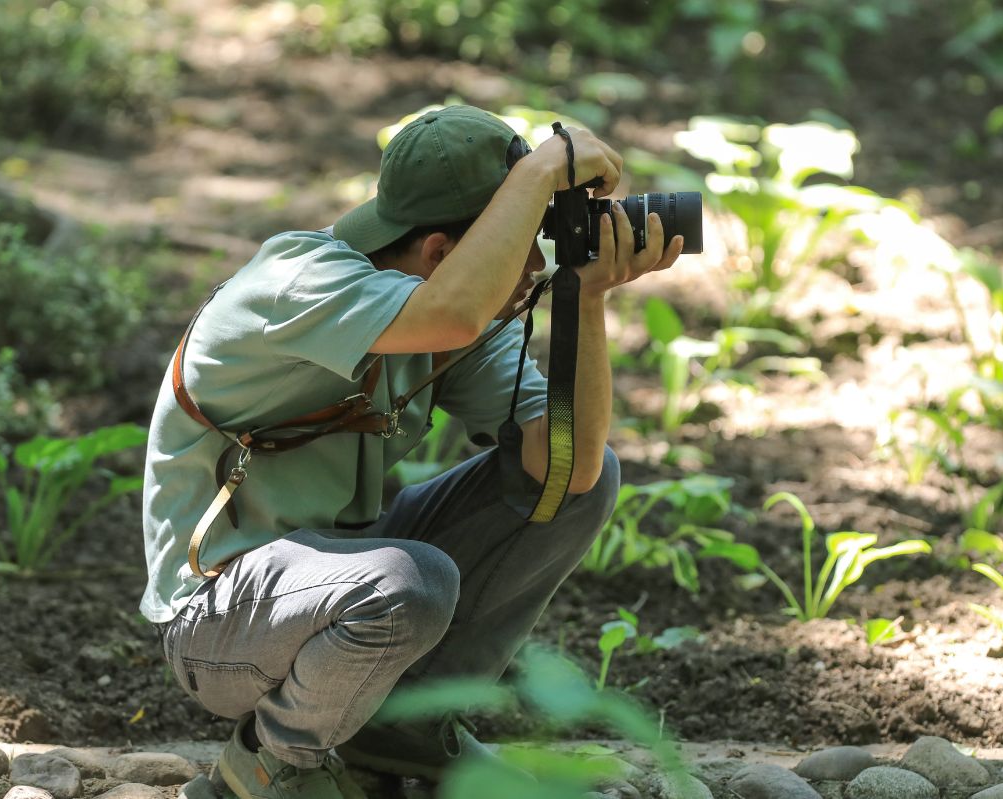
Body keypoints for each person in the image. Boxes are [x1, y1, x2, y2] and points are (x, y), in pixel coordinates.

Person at [140, 104, 685, 799]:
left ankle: (397, 733)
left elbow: (566, 467)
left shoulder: (450, 315)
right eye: (522, 246)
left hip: (332, 587)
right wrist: (546, 166)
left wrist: (587, 295)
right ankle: (271, 763)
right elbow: (454, 309)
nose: (533, 267)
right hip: (219, 621)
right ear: (437, 253)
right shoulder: (295, 282)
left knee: (586, 477)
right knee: (408, 581)